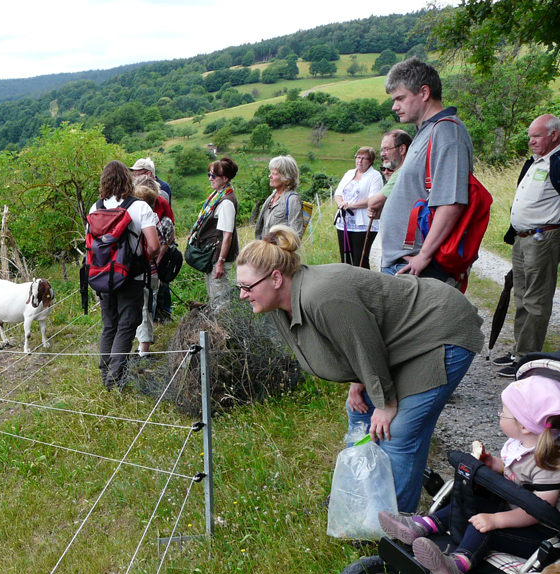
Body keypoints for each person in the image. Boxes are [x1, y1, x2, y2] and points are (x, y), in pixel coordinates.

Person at [235, 225, 483, 513]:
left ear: (276, 278)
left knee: (399, 431)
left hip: (438, 330)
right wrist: (360, 380)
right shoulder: (280, 305)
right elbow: (351, 343)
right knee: (360, 411)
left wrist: (386, 402)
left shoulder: (323, 296)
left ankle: (391, 528)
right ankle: (356, 500)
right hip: (402, 343)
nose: (242, 295)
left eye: (247, 287)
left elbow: (365, 346)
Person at [378, 376, 560, 574]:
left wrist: (496, 520)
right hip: (516, 510)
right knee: (471, 503)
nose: (500, 414)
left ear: (525, 426)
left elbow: (539, 511)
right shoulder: (521, 445)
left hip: (541, 533)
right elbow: (517, 476)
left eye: (503, 413)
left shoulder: (551, 463)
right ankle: (421, 525)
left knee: (483, 525)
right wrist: (494, 464)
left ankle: (457, 566)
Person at [378, 57, 473, 284]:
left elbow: (452, 202)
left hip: (420, 268)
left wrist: (424, 256)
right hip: (405, 263)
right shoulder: (426, 131)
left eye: (400, 98)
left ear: (424, 92)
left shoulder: (447, 132)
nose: (394, 106)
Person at [496, 114, 560, 378]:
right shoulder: (535, 162)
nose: (531, 141)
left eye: (537, 135)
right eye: (530, 135)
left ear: (554, 135)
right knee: (521, 297)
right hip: (523, 239)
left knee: (536, 300)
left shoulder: (558, 162)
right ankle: (520, 352)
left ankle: (527, 360)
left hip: (542, 239)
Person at [90, 161, 159, 388]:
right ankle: (114, 382)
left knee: (109, 325)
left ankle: (104, 377)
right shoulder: (140, 207)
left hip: (103, 277)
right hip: (131, 276)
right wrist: (142, 260)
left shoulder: (95, 207)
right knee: (127, 325)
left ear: (104, 182)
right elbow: (154, 245)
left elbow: (91, 244)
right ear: (128, 181)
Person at [187, 157, 239, 311]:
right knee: (214, 298)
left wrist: (221, 261)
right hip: (213, 256)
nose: (210, 178)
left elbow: (227, 235)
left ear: (225, 178)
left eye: (214, 176)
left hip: (218, 257)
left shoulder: (226, 202)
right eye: (209, 174)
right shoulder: (217, 197)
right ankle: (218, 330)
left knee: (220, 301)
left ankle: (224, 331)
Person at [131, 178, 175, 356]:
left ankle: (144, 351)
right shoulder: (157, 219)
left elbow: (153, 247)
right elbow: (166, 239)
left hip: (145, 271)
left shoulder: (147, 220)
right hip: (152, 272)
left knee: (144, 309)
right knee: (147, 307)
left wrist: (141, 261)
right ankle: (142, 346)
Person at [333, 147, 383, 267]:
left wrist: (351, 205)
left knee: (360, 259)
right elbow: (338, 192)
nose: (360, 161)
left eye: (364, 158)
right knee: (345, 258)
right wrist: (341, 204)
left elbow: (373, 199)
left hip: (363, 224)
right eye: (358, 157)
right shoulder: (349, 173)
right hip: (344, 221)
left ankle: (363, 284)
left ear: (370, 161)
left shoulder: (375, 176)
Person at [367, 129, 412, 221]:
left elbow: (373, 203)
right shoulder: (411, 169)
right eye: (382, 150)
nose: (383, 154)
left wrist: (374, 206)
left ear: (402, 149)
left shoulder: (402, 173)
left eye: (387, 149)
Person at [255, 155, 303, 240]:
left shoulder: (292, 199)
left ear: (286, 177)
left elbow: (295, 235)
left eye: (274, 173)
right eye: (271, 172)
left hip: (279, 252)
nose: (270, 176)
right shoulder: (272, 196)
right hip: (265, 250)